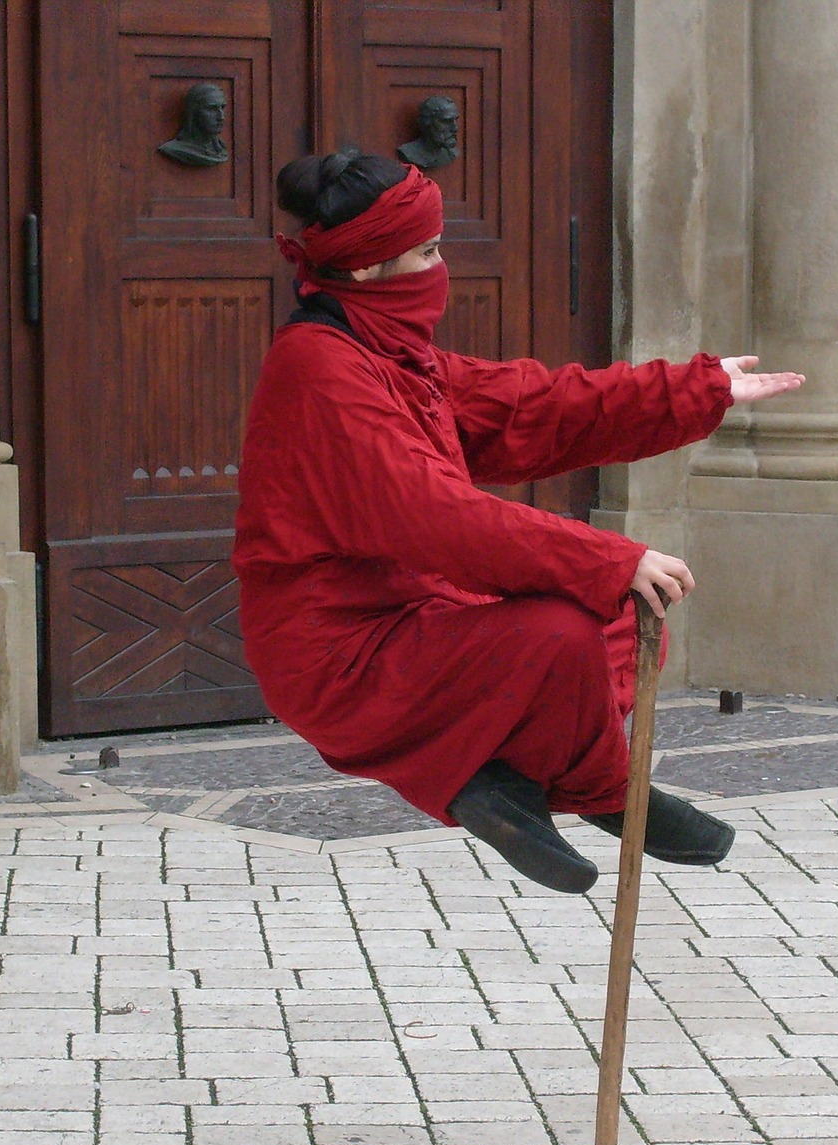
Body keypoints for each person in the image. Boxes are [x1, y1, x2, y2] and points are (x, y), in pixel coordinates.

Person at [233, 152, 804, 894]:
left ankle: (503, 785)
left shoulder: (396, 355)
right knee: (559, 637)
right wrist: (608, 557)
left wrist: (695, 389)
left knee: (622, 624)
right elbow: (435, 521)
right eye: (428, 252)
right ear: (370, 270)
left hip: (417, 614)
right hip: (341, 649)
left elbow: (533, 407)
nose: (442, 268)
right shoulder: (319, 369)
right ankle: (599, 792)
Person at [158, 83, 228, 167]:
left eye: (222, 107)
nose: (221, 117)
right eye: (211, 109)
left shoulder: (220, 149)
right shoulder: (175, 149)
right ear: (193, 112)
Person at [397, 95, 461, 170]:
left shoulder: (451, 154)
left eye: (455, 120)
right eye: (446, 122)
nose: (455, 128)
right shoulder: (409, 153)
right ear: (426, 122)